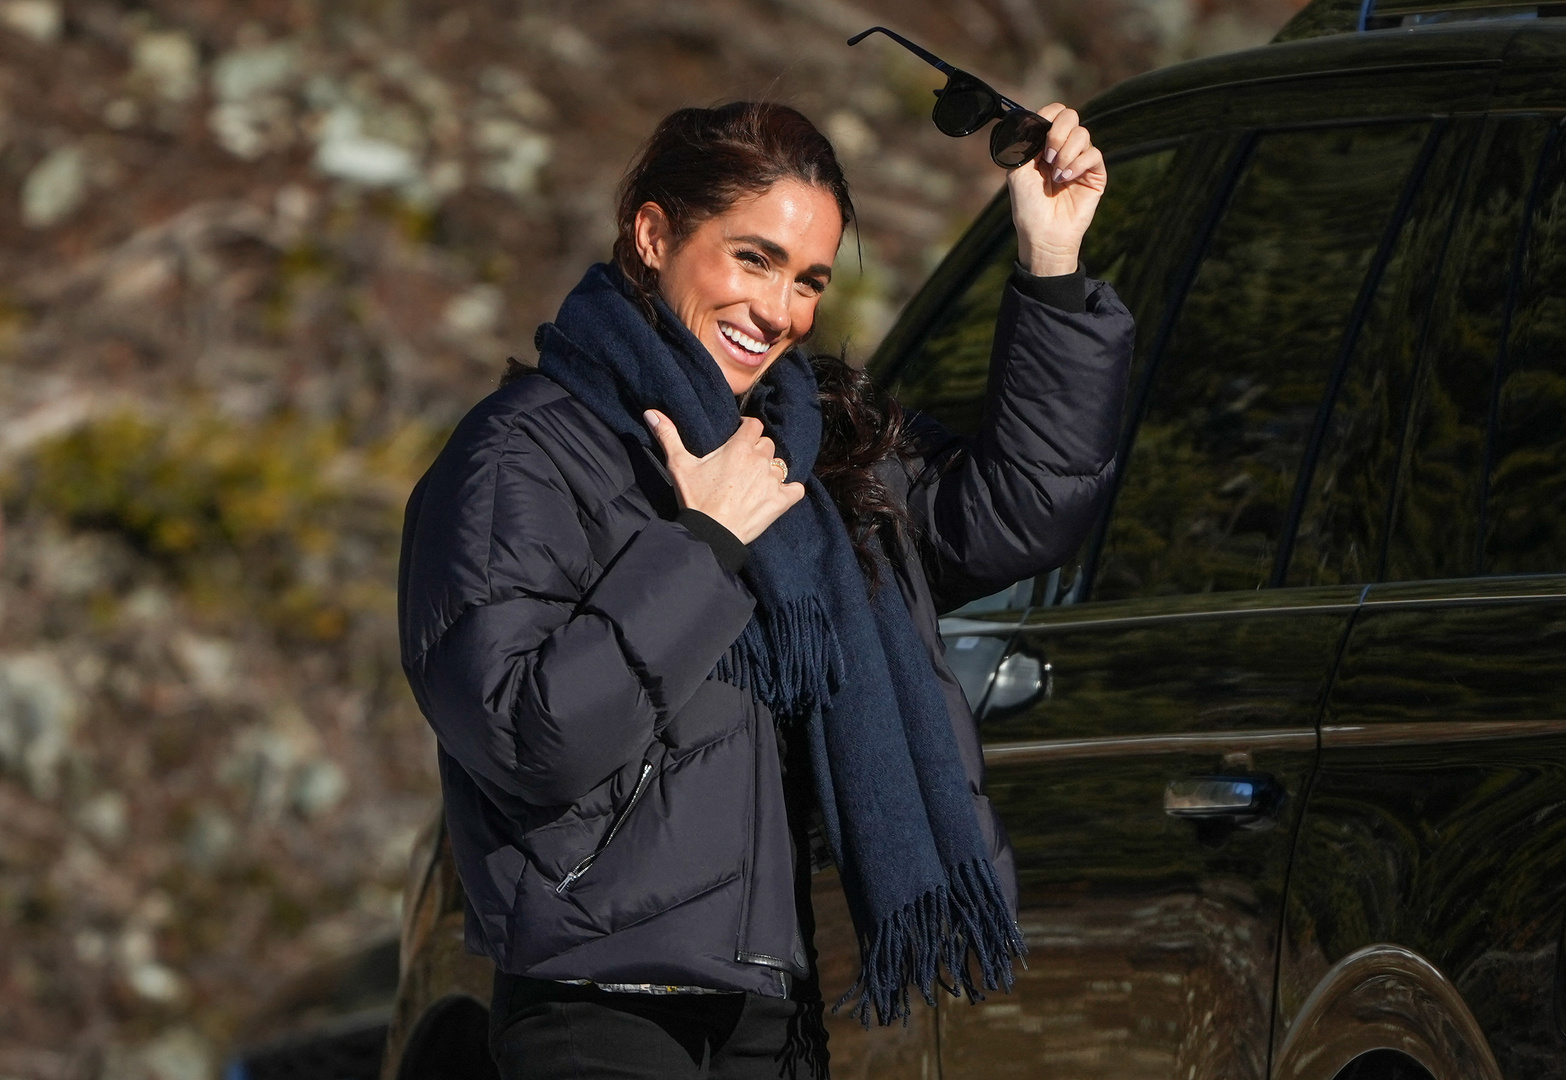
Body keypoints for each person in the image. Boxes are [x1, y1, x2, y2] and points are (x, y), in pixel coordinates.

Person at [397, 99, 1132, 1079]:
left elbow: (1021, 509)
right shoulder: (519, 456)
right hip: (597, 1012)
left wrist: (1051, 261)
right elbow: (527, 736)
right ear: (653, 236)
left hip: (773, 1013)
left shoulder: (810, 450)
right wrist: (703, 546)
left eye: (809, 281)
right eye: (754, 260)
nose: (781, 311)